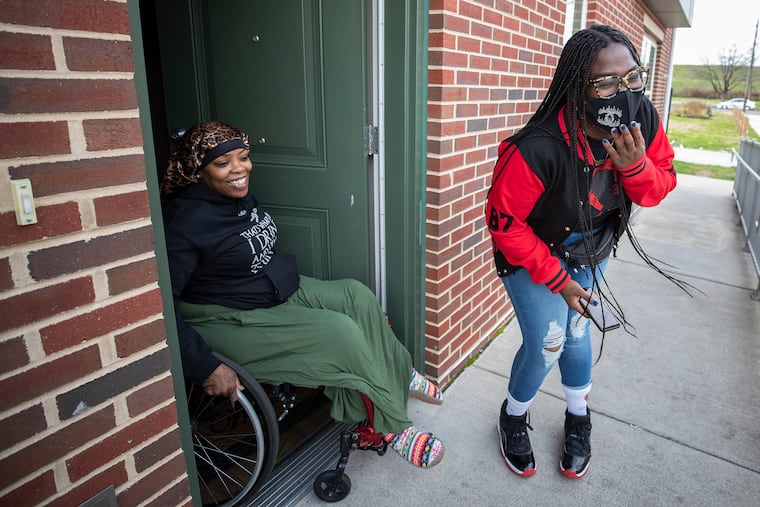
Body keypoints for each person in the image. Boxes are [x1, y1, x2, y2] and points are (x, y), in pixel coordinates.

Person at [161, 120, 444, 468]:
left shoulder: (235, 194)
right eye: (223, 163)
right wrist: (204, 365)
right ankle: (392, 426)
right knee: (341, 334)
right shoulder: (184, 222)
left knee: (357, 296)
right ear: (198, 170)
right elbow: (161, 307)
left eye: (244, 157)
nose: (239, 169)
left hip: (270, 287)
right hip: (228, 313)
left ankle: (399, 372)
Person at [485, 25, 677, 479]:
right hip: (535, 252)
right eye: (606, 83)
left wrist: (635, 166)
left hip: (593, 249)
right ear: (578, 87)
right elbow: (504, 225)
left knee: (575, 331)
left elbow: (658, 186)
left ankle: (577, 415)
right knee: (547, 343)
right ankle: (512, 415)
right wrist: (559, 281)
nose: (624, 92)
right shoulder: (536, 149)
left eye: (633, 78)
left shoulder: (643, 119)